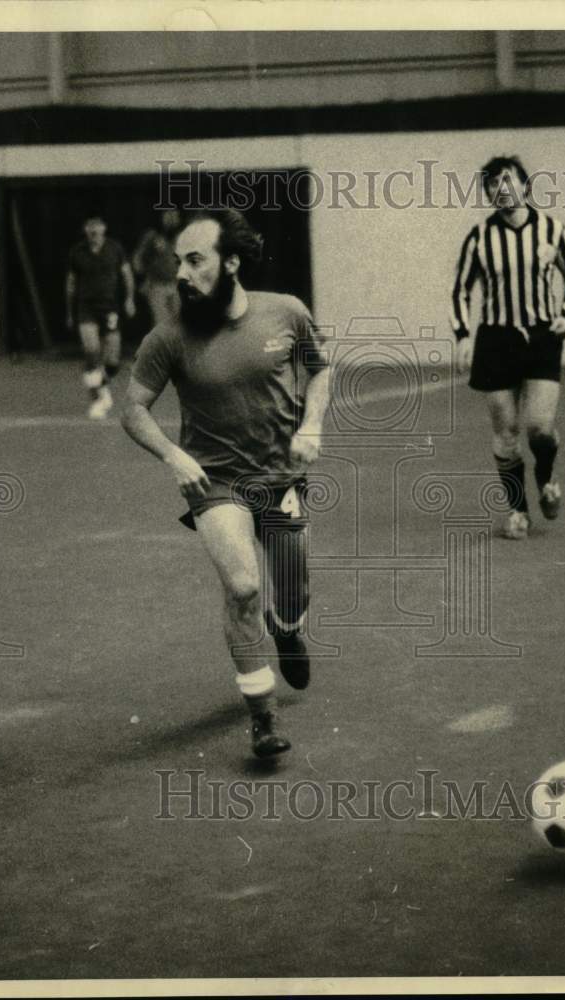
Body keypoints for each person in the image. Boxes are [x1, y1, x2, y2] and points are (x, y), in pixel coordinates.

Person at [121, 209, 330, 758]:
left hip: (281, 477)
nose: (182, 275)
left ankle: (285, 629)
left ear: (231, 262)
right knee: (242, 588)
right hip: (216, 485)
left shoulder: (285, 312)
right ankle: (262, 717)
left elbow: (320, 369)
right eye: (178, 263)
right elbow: (134, 409)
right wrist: (171, 455)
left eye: (195, 261)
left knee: (293, 589)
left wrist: (311, 423)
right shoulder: (168, 337)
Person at [450, 155, 565, 539]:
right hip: (496, 340)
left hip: (542, 337)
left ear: (525, 186)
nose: (500, 189)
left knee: (540, 429)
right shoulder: (480, 236)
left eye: (507, 181)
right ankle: (518, 511)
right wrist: (463, 334)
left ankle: (546, 477)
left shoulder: (552, 230)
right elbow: (461, 289)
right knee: (506, 433)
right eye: (492, 184)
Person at [66, 215, 136, 419]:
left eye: (97, 227)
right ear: (85, 230)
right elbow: (70, 283)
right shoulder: (77, 252)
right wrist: (69, 311)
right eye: (90, 227)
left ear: (104, 229)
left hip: (109, 307)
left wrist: (129, 299)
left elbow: (127, 275)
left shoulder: (115, 249)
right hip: (86, 307)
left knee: (112, 361)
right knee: (91, 351)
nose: (94, 231)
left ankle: (102, 386)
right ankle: (96, 399)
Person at [132, 210, 181, 327]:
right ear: (162, 218)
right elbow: (137, 258)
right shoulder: (152, 236)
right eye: (168, 215)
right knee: (162, 323)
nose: (171, 219)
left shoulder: (182, 237)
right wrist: (144, 277)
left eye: (174, 215)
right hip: (157, 285)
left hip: (178, 285)